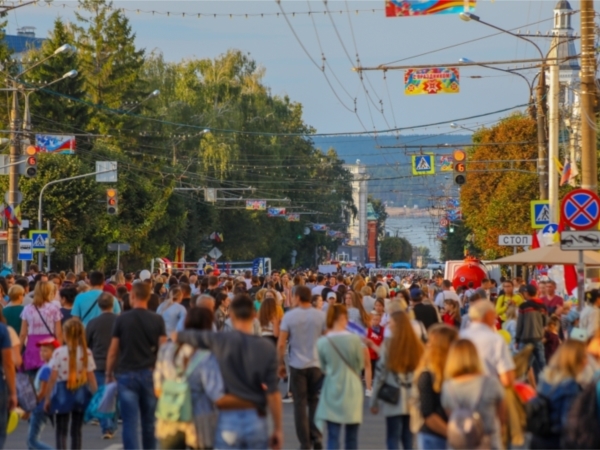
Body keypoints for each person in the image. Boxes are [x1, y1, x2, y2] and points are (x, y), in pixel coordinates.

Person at [177, 294, 283, 450]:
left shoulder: (220, 340)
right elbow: (273, 393)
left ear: (231, 315)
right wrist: (278, 429)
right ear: (254, 315)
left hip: (227, 417)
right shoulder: (266, 348)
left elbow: (185, 336)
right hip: (256, 416)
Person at [105, 282, 167, 450]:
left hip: (126, 374)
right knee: (149, 423)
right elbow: (163, 350)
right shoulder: (157, 319)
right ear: (148, 297)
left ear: (132, 296)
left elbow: (113, 351)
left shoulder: (122, 319)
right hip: (150, 374)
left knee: (130, 423)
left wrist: (109, 373)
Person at [154, 307, 225, 450]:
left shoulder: (166, 350)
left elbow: (157, 388)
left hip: (171, 418)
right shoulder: (208, 355)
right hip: (200, 420)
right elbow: (216, 393)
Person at [278, 285, 326, 450]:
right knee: (314, 401)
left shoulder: (290, 316)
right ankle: (316, 436)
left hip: (297, 365)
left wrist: (280, 364)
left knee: (299, 405)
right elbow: (327, 339)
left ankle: (304, 442)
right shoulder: (320, 316)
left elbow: (281, 343)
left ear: (297, 297)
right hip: (316, 364)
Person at [371, 311, 424, 450]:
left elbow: (380, 373)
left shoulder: (389, 345)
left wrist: (374, 400)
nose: (388, 325)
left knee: (392, 437)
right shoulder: (417, 346)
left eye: (391, 323)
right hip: (412, 396)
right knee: (408, 438)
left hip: (393, 396)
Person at [315, 305, 365, 450]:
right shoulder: (355, 339)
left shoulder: (323, 342)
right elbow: (359, 365)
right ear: (344, 318)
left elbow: (323, 367)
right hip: (352, 388)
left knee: (333, 435)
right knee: (352, 436)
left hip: (332, 387)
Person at [442, 339, 505, 450]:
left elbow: (451, 414)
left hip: (460, 444)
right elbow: (503, 416)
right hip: (489, 443)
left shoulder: (447, 387)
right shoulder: (491, 382)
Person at [44, 319, 98, 450]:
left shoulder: (58, 352)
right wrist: (97, 396)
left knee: (61, 430)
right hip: (81, 391)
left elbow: (52, 377)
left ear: (65, 334)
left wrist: (47, 397)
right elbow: (91, 377)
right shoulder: (87, 353)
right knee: (76, 431)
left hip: (62, 391)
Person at [530, 339, 586, 449]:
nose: (586, 361)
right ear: (577, 359)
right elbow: (568, 424)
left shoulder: (546, 377)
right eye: (584, 357)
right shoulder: (570, 386)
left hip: (538, 437)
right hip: (556, 441)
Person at [415, 324, 458, 449]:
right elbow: (428, 414)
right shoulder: (427, 375)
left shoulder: (456, 372)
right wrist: (454, 435)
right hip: (434, 436)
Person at [460, 301, 516, 388]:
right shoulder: (496, 340)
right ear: (488, 315)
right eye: (494, 314)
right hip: (488, 389)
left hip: (463, 389)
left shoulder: (461, 337)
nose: (496, 317)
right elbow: (507, 377)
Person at [85, 292, 118, 439]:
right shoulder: (120, 321)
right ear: (113, 304)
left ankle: (106, 427)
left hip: (98, 362)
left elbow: (86, 344)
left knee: (103, 395)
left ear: (99, 305)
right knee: (115, 395)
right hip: (118, 363)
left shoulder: (93, 323)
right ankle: (113, 424)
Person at [20, 282, 63, 373]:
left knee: (32, 377)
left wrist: (19, 351)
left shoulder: (27, 309)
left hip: (32, 346)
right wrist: (60, 351)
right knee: (49, 376)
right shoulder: (54, 309)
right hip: (49, 345)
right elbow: (58, 333)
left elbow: (23, 334)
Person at [27, 337, 59, 450]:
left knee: (32, 441)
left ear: (54, 353)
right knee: (31, 442)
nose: (42, 353)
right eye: (41, 350)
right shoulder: (49, 367)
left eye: (46, 350)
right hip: (43, 407)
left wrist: (32, 404)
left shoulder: (47, 369)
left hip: (39, 407)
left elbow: (43, 392)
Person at [517, 284, 548, 381]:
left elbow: (520, 324)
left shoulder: (523, 306)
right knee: (541, 362)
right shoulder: (542, 306)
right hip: (538, 337)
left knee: (524, 363)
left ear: (526, 293)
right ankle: (545, 382)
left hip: (525, 338)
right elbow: (545, 322)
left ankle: (525, 383)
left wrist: (517, 339)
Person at [366, 310, 384, 379]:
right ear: (371, 320)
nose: (375, 321)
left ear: (380, 320)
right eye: (374, 319)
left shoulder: (383, 329)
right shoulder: (368, 330)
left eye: (377, 320)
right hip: (370, 354)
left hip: (378, 354)